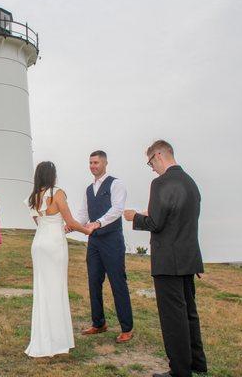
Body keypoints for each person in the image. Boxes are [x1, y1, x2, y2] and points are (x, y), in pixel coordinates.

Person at [123, 140, 207, 377]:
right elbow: (181, 219)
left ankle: (179, 371)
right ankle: (197, 363)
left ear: (158, 155)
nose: (151, 168)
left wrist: (134, 216)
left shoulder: (160, 183)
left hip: (168, 260)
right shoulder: (191, 183)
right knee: (189, 313)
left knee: (173, 319)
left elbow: (156, 223)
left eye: (150, 162)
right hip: (188, 257)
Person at [24, 161, 92, 358]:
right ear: (52, 175)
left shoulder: (33, 197)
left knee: (43, 289)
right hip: (54, 244)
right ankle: (56, 340)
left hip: (39, 244)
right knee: (56, 288)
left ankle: (44, 338)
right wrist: (87, 230)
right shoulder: (57, 193)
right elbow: (69, 221)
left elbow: (39, 222)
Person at [74, 150, 134, 343]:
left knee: (117, 282)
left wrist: (98, 223)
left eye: (96, 163)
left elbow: (117, 209)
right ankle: (98, 323)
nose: (93, 166)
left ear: (105, 163)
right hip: (94, 242)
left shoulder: (116, 184)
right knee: (93, 281)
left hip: (112, 240)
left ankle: (127, 327)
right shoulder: (88, 188)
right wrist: (71, 225)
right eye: (90, 163)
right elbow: (83, 215)